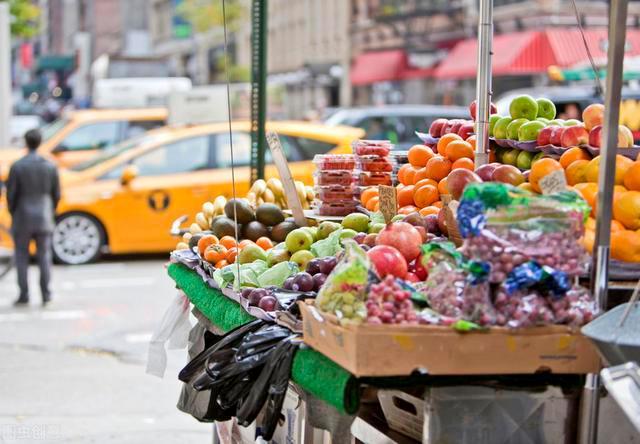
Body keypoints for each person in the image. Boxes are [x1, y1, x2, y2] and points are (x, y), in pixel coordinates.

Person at [6, 129, 60, 306]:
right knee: (44, 256)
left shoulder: (17, 166)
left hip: (22, 216)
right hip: (44, 216)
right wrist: (50, 212)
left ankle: (24, 294)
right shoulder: (50, 165)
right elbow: (56, 194)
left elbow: (11, 195)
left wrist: (13, 212)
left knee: (22, 257)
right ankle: (46, 294)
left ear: (26, 142)